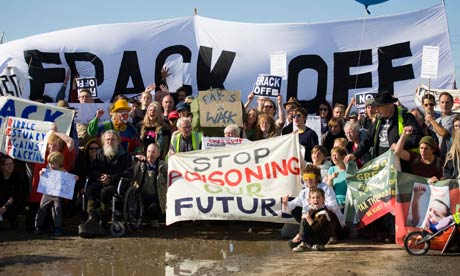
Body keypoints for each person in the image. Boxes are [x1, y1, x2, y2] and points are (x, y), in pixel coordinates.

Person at [78, 130, 134, 236]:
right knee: (90, 189)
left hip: (117, 184)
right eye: (107, 139)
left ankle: (103, 217)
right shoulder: (99, 153)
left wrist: (111, 178)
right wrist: (100, 177)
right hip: (101, 181)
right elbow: (92, 169)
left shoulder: (125, 155)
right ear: (104, 141)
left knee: (105, 192)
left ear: (118, 141)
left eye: (113, 139)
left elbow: (129, 172)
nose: (110, 141)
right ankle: (92, 217)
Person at [345, 91, 423, 163]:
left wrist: (400, 145)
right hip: (381, 161)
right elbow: (368, 139)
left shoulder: (405, 116)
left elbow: (417, 136)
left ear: (388, 106)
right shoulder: (379, 119)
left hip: (399, 163)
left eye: (378, 107)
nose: (376, 110)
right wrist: (355, 154)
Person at [281, 164, 343, 243]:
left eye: (311, 176)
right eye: (305, 177)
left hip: (327, 221)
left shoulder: (326, 188)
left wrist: (317, 205)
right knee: (296, 210)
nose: (308, 180)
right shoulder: (304, 192)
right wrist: (285, 203)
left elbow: (334, 207)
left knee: (324, 211)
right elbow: (292, 205)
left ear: (317, 177)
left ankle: (331, 235)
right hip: (313, 221)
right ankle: (305, 235)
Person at [34, 152, 78, 236]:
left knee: (57, 210)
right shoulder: (48, 168)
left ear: (59, 163)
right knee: (41, 208)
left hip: (57, 194)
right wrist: (41, 173)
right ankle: (38, 226)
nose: (51, 165)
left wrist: (75, 178)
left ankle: (57, 228)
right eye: (50, 163)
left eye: (53, 164)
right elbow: (42, 173)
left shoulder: (63, 171)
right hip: (47, 193)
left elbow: (69, 178)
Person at [133, 143, 167, 227]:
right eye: (149, 151)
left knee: (154, 209)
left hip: (155, 197)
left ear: (158, 154)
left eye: (153, 152)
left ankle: (154, 220)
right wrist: (135, 160)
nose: (150, 154)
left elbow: (170, 179)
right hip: (140, 196)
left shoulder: (163, 166)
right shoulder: (139, 163)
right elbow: (131, 174)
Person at [427, 92, 456, 157]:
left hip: (452, 157)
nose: (445, 105)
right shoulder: (437, 120)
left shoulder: (456, 118)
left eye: (447, 102)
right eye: (442, 102)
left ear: (452, 104)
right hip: (439, 157)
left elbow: (443, 133)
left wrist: (431, 120)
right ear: (439, 104)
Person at [0, 156, 21, 228]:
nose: (10, 166)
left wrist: (4, 207)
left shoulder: (16, 178)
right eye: (7, 164)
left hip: (10, 204)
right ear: (2, 166)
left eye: (11, 164)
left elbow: (13, 197)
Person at [327, 146, 348, 211]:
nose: (334, 157)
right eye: (332, 155)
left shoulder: (350, 169)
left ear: (343, 156)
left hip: (349, 203)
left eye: (336, 155)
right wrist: (331, 178)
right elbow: (329, 189)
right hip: (337, 204)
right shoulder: (332, 169)